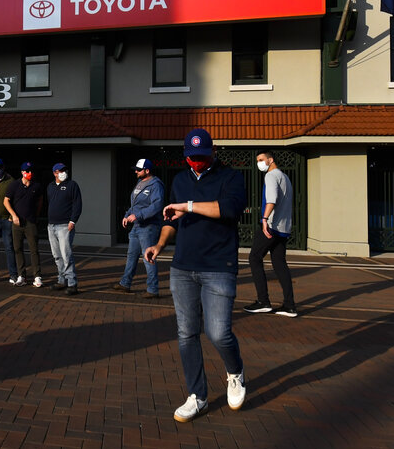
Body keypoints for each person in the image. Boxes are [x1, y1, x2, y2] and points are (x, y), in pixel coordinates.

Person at [144, 128, 247, 422]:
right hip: (183, 268)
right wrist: (160, 244)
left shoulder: (231, 178)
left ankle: (236, 372)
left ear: (212, 153)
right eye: (192, 158)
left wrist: (187, 206)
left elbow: (228, 210)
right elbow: (171, 220)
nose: (196, 162)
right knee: (187, 334)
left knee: (218, 333)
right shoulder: (180, 179)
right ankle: (197, 395)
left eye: (201, 157)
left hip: (218, 266)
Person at [244, 150, 297, 317]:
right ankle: (289, 306)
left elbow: (271, 199)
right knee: (279, 263)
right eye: (257, 160)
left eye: (261, 159)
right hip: (283, 228)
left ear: (270, 160)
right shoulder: (285, 177)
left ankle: (263, 301)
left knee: (254, 258)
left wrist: (264, 219)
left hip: (271, 226)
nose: (259, 162)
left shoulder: (271, 176)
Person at [114, 158, 165, 298]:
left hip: (148, 227)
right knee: (131, 256)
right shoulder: (139, 183)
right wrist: (127, 215)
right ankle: (125, 283)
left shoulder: (156, 185)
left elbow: (157, 205)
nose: (136, 171)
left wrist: (139, 215)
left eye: (138, 169)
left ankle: (153, 289)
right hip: (137, 227)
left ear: (147, 171)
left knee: (148, 257)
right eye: (135, 169)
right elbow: (134, 205)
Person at [4, 161, 45, 287]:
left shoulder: (36, 186)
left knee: (34, 249)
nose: (30, 173)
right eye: (27, 171)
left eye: (31, 171)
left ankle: (37, 276)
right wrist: (14, 216)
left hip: (30, 222)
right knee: (17, 249)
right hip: (17, 223)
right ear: (22, 172)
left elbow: (40, 201)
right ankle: (21, 276)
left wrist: (35, 216)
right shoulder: (14, 185)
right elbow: (6, 201)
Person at [46, 162, 82, 295]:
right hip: (51, 225)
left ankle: (72, 283)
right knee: (57, 256)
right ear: (54, 173)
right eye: (60, 171)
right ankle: (62, 281)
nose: (63, 172)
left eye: (64, 170)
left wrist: (73, 221)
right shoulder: (50, 186)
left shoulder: (72, 185)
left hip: (64, 226)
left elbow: (77, 204)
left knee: (66, 255)